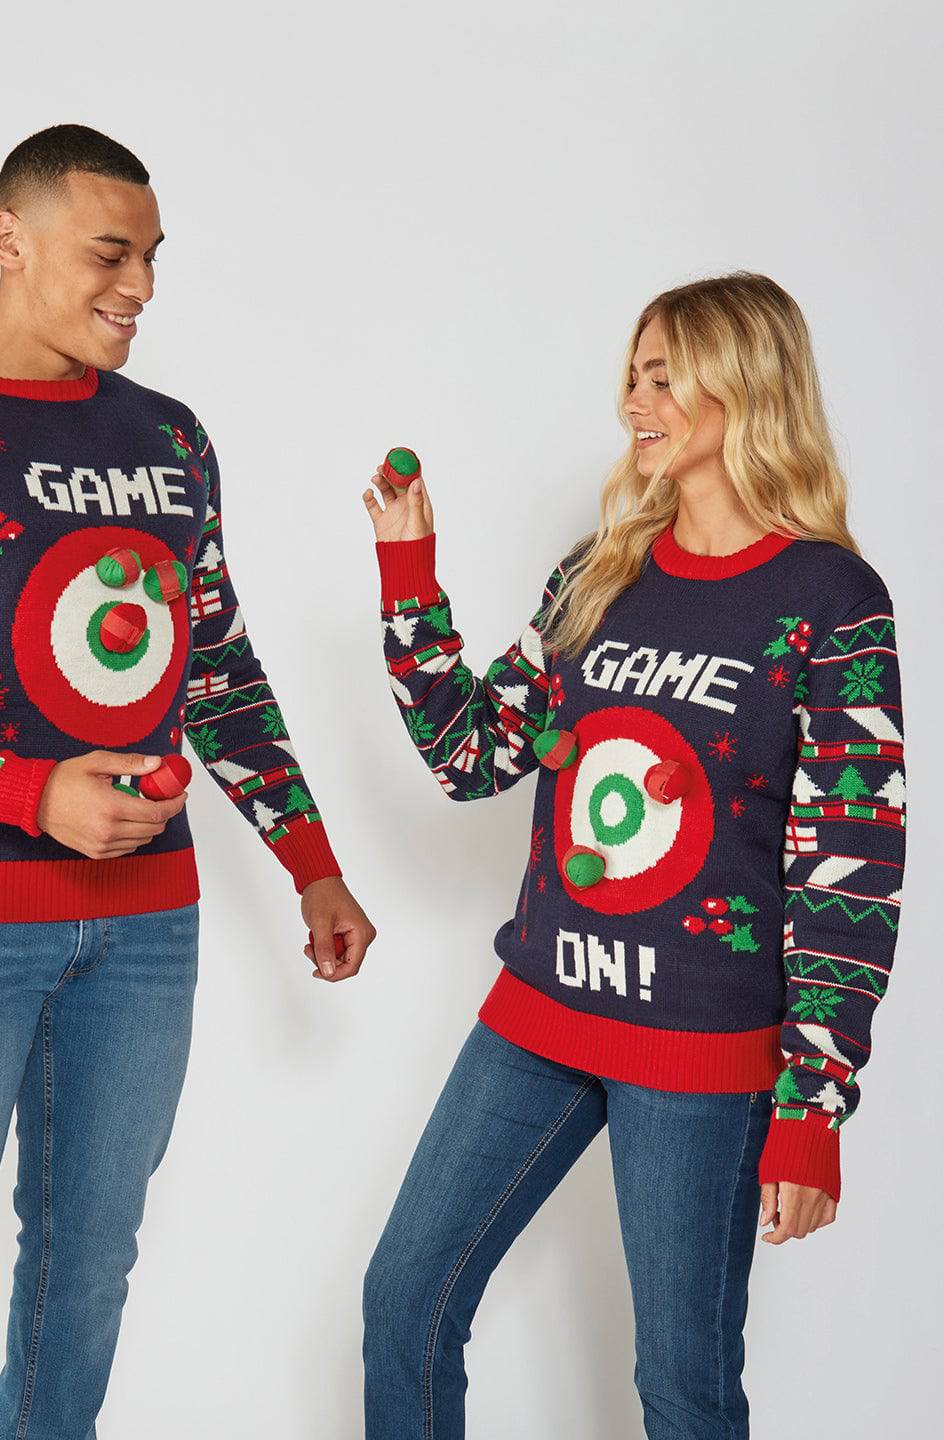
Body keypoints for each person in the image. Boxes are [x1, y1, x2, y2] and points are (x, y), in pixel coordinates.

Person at [0, 123, 375, 1438]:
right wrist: (30, 794)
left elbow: (215, 667)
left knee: (86, 1271)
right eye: (112, 253)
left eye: (154, 256)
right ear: (9, 239)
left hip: (146, 926)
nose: (141, 286)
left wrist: (313, 864)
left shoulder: (170, 438)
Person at [359, 272, 905, 1437]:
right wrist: (409, 575)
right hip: (540, 1014)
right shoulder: (599, 570)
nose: (635, 403)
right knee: (405, 1298)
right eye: (633, 376)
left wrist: (813, 1104)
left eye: (665, 377)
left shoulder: (830, 599)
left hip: (702, 1050)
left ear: (742, 385)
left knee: (681, 1387)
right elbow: (470, 755)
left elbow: (850, 869)